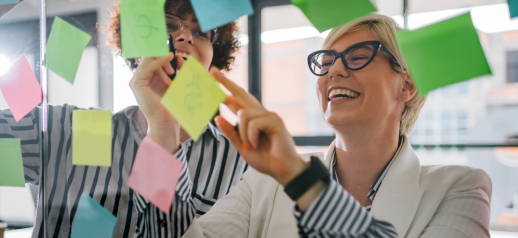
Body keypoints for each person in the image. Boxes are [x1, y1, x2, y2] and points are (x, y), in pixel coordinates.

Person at [0, 0, 247, 237]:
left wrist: (164, 127)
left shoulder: (237, 161)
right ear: (134, 48)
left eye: (200, 32)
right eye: (168, 25)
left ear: (213, 60)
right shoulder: (66, 132)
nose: (185, 37)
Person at [167, 14, 491, 237]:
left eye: (358, 56)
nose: (333, 71)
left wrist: (297, 176)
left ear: (407, 86)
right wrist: (161, 135)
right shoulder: (262, 183)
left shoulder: (460, 189)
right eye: (325, 62)